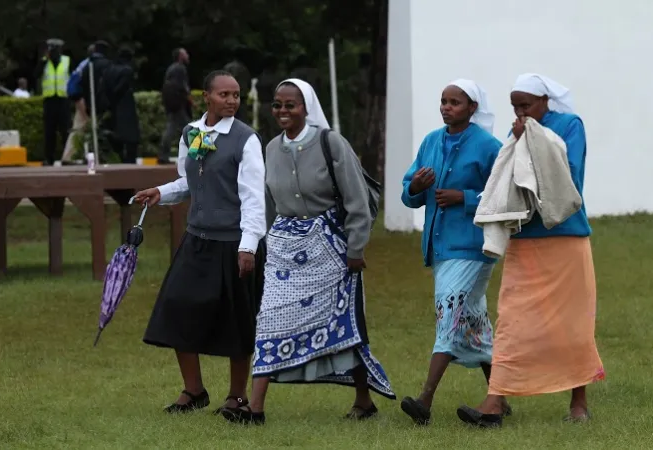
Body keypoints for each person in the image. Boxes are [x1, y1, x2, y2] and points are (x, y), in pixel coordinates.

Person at [221, 78, 395, 426]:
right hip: (285, 249)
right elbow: (268, 204)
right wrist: (259, 245)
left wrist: (356, 248)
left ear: (306, 107)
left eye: (291, 105)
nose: (283, 111)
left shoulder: (331, 143)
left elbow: (357, 200)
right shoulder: (271, 148)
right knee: (269, 319)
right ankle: (255, 408)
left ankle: (364, 400)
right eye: (278, 105)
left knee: (345, 324)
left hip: (330, 248)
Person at [456, 74, 605, 428]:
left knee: (573, 323)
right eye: (515, 106)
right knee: (512, 320)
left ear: (545, 100)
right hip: (524, 239)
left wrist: (533, 140)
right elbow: (507, 177)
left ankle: (578, 403)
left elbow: (569, 178)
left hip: (566, 239)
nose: (521, 112)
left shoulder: (569, 126)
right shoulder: (517, 132)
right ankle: (494, 403)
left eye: (526, 105)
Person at [133, 70, 266, 415]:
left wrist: (248, 246)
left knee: (237, 321)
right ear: (206, 96)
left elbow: (253, 199)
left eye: (236, 95)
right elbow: (187, 181)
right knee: (177, 307)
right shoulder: (191, 132)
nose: (232, 101)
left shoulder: (245, 139)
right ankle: (194, 391)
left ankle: (236, 397)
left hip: (234, 243)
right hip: (197, 240)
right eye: (224, 94)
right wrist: (159, 193)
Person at [398, 80, 507, 425]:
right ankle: (498, 399)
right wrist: (416, 186)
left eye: (455, 102)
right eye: (443, 101)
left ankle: (425, 400)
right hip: (441, 246)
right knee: (473, 322)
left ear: (472, 107)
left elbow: (505, 195)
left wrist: (466, 198)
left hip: (474, 248)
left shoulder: (490, 147)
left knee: (449, 314)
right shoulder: (432, 141)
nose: (446, 107)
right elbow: (408, 189)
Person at [34, 38, 71, 165]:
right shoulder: (44, 62)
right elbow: (36, 75)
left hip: (63, 100)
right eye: (51, 49)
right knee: (49, 131)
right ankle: (48, 158)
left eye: (55, 49)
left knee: (65, 130)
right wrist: (44, 60)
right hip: (49, 100)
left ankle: (67, 157)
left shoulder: (67, 61)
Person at [104, 46, 140, 163]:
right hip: (125, 106)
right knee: (131, 136)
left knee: (116, 134)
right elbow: (121, 87)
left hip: (112, 107)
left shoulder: (109, 70)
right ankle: (130, 159)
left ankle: (120, 156)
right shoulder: (127, 71)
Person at [62, 44, 95, 163]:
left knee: (79, 128)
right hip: (83, 99)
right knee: (86, 126)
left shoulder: (82, 64)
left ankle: (68, 156)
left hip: (78, 97)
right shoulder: (90, 65)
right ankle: (71, 157)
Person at [159, 48, 192, 164]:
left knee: (174, 127)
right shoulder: (180, 68)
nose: (188, 56)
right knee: (188, 128)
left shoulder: (171, 68)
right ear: (180, 56)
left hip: (171, 101)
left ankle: (164, 155)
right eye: (185, 54)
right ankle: (199, 154)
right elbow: (183, 86)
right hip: (177, 102)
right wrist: (190, 99)